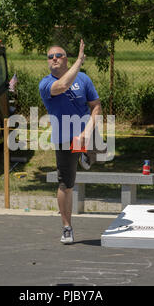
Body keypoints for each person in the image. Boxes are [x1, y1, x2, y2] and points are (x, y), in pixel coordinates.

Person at [39, 39, 102, 244]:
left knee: (95, 152)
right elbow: (63, 85)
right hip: (64, 137)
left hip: (86, 132)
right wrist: (80, 60)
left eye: (58, 55)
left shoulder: (84, 80)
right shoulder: (46, 84)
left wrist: (88, 130)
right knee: (66, 184)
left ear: (66, 59)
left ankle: (85, 153)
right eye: (50, 56)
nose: (54, 59)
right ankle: (67, 227)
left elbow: (96, 106)